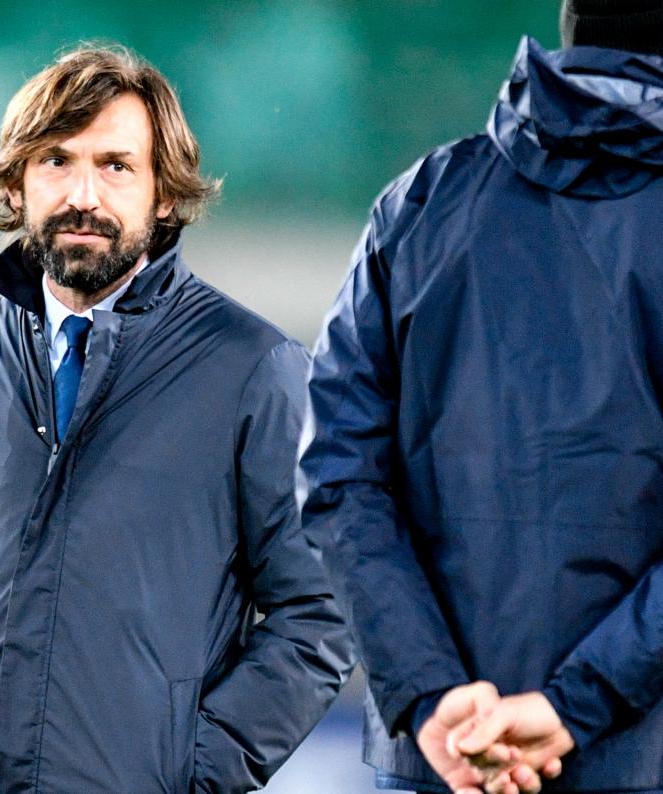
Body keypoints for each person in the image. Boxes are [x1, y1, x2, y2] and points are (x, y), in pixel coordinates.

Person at [0, 45, 353, 793]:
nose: (82, 194)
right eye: (56, 161)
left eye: (116, 165)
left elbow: (320, 611)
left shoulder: (253, 368)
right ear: (18, 185)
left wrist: (192, 773)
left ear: (165, 195)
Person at [299, 1, 663, 793]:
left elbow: (336, 475)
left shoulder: (422, 200)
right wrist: (575, 704)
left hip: (445, 759)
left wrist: (432, 698)